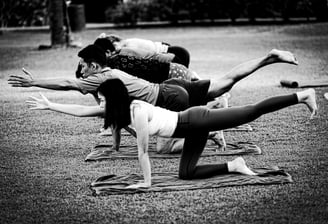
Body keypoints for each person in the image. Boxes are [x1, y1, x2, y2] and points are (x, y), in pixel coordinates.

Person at [26, 78, 317, 188]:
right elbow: (82, 111)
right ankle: (234, 165)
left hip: (196, 119)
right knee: (186, 174)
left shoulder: (138, 109)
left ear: (112, 98)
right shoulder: (121, 111)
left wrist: (146, 183)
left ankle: (301, 96)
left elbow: (142, 151)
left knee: (250, 111)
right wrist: (51, 105)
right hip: (191, 130)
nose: (99, 103)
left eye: (102, 98)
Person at [8, 44, 298, 154]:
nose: (81, 70)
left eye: (84, 64)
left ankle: (210, 130)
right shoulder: (111, 71)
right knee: (225, 82)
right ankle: (270, 58)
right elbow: (112, 118)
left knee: (164, 146)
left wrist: (33, 82)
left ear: (94, 66)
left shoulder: (99, 79)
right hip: (170, 87)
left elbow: (68, 84)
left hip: (169, 99)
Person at [98, 33, 190, 67]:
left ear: (115, 43)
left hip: (175, 53)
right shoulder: (127, 41)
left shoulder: (128, 46)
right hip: (173, 50)